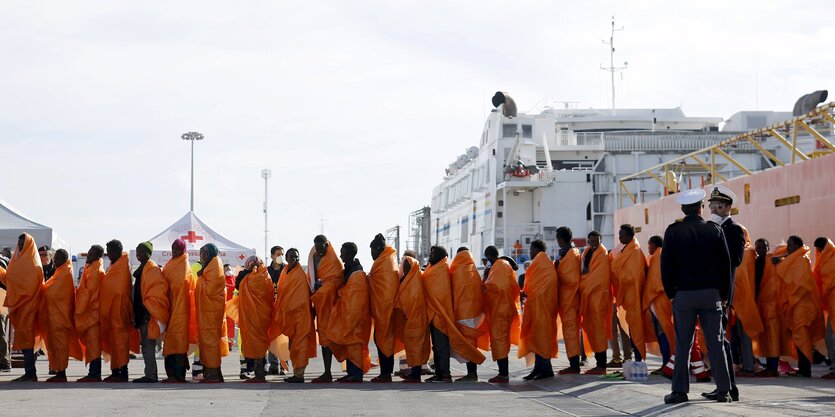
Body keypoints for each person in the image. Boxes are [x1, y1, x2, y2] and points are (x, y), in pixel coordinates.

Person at [661, 188, 733, 404]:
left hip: (683, 295)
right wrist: (724, 295)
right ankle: (723, 392)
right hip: (711, 295)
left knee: (684, 344)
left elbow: (666, 266)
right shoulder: (714, 230)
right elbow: (725, 266)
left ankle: (680, 392)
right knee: (716, 344)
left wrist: (671, 293)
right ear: (701, 207)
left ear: (683, 209)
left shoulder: (673, 231)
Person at [702, 185, 746, 401]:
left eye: (719, 206)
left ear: (728, 207)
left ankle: (729, 387)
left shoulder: (733, 229)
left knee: (720, 340)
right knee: (715, 340)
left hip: (721, 293)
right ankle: (725, 385)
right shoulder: (711, 228)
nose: (714, 209)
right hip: (709, 291)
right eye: (712, 205)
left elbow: (736, 259)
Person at [423, 246, 485, 383]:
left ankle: (447, 375)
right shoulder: (473, 271)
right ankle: (443, 373)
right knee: (456, 345)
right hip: (470, 314)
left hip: (450, 314)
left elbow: (447, 293)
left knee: (443, 346)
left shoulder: (455, 271)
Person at [773, 235, 826, 378]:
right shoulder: (796, 259)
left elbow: (800, 285)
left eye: (790, 245)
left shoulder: (801, 260)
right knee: (799, 337)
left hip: (802, 305)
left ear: (797, 245)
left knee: (802, 337)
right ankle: (803, 368)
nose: (788, 248)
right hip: (797, 305)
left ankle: (805, 369)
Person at [326, 242, 372, 383]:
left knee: (354, 343)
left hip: (354, 315)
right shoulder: (349, 269)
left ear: (350, 254)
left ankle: (356, 374)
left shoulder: (357, 271)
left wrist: (340, 293)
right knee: (347, 343)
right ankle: (351, 372)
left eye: (343, 252)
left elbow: (355, 298)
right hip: (347, 313)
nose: (340, 255)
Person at [269, 248, 316, 383]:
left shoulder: (300, 275)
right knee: (293, 346)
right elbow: (283, 293)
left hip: (301, 316)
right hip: (290, 316)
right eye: (291, 257)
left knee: (299, 345)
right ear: (287, 258)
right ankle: (296, 372)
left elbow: (301, 298)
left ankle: (299, 374)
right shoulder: (285, 272)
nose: (294, 259)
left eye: (296, 256)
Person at [40, 249, 83, 382]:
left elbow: (53, 292)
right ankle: (58, 370)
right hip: (56, 316)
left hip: (61, 317)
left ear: (64, 259)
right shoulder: (60, 271)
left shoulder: (65, 273)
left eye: (58, 258)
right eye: (55, 258)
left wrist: (42, 288)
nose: (55, 261)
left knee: (60, 346)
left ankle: (61, 373)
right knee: (55, 345)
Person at [609, 224, 650, 366]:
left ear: (629, 236)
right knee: (632, 328)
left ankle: (639, 360)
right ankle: (636, 359)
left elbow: (634, 276)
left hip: (634, 296)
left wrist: (620, 276)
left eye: (621, 234)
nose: (619, 237)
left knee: (636, 328)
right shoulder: (627, 251)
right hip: (628, 295)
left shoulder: (635, 252)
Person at [518, 239, 558, 380]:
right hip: (539, 306)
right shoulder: (544, 263)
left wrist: (532, 294)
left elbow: (546, 284)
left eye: (531, 250)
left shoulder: (542, 264)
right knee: (536, 338)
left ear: (536, 249)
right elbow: (533, 284)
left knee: (541, 338)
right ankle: (538, 368)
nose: (530, 252)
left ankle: (546, 369)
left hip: (542, 306)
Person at [309, 235, 344, 383]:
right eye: (316, 248)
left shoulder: (334, 261)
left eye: (321, 248)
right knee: (323, 338)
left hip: (331, 304)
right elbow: (310, 276)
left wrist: (323, 287)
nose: (319, 251)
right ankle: (327, 371)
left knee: (332, 337)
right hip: (320, 303)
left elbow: (337, 280)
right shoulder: (313, 256)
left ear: (326, 244)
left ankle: (350, 370)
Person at [728, 227, 764, 378]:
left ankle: (748, 366)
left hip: (744, 301)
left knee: (745, 335)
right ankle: (746, 364)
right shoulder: (747, 253)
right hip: (741, 301)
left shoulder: (746, 253)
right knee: (740, 336)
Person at [133, 242, 169, 383]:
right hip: (142, 314)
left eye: (141, 252)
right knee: (146, 348)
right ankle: (149, 373)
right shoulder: (143, 269)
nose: (138, 255)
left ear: (148, 253)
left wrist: (149, 310)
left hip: (149, 315)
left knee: (148, 347)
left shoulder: (152, 270)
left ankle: (151, 375)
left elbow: (157, 293)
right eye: (137, 252)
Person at [233, 256, 274, 383]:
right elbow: (239, 285)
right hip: (257, 316)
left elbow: (240, 284)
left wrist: (246, 272)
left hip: (258, 316)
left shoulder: (256, 278)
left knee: (258, 343)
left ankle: (259, 374)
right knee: (258, 343)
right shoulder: (263, 276)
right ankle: (259, 373)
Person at [449, 247, 487, 382]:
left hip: (462, 313)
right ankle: (472, 371)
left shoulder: (457, 271)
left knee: (466, 344)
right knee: (471, 343)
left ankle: (472, 373)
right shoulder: (474, 271)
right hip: (475, 313)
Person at [483, 245, 520, 382]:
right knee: (501, 341)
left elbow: (494, 287)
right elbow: (514, 287)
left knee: (499, 342)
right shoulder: (502, 266)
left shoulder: (498, 267)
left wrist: (486, 286)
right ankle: (503, 372)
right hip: (504, 309)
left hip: (500, 311)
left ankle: (503, 373)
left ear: (490, 256)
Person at [161, 238, 196, 383]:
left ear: (182, 250)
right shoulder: (171, 263)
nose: (174, 251)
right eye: (172, 248)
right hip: (170, 308)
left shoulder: (184, 266)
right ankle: (171, 375)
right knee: (170, 342)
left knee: (178, 342)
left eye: (176, 249)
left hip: (180, 310)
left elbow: (181, 289)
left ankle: (178, 375)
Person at [195, 243, 230, 383]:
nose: (201, 257)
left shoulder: (214, 267)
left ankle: (213, 374)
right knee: (207, 343)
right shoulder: (210, 267)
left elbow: (210, 290)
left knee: (211, 343)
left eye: (204, 254)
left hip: (212, 314)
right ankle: (211, 373)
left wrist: (201, 277)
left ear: (210, 255)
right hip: (207, 313)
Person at [367, 234, 399, 382]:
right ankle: (385, 372)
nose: (371, 254)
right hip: (382, 308)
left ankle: (386, 373)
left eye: (372, 250)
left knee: (384, 339)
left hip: (385, 308)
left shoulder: (386, 263)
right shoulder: (385, 261)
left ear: (379, 249)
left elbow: (385, 286)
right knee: (381, 339)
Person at [393, 251, 430, 383]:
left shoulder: (419, 278)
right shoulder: (406, 280)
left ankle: (416, 373)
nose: (406, 268)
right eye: (404, 266)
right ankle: (414, 371)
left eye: (408, 266)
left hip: (419, 317)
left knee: (416, 345)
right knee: (412, 345)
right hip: (410, 318)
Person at [101, 239, 133, 383]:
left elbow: (119, 290)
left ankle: (123, 372)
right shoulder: (114, 266)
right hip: (112, 310)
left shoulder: (122, 268)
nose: (108, 255)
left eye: (110, 252)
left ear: (116, 252)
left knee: (120, 342)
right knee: (114, 343)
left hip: (119, 310)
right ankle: (115, 372)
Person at [580, 231, 613, 375]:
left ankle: (601, 364)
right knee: (593, 329)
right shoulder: (586, 253)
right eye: (592, 241)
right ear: (588, 241)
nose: (594, 243)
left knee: (599, 329)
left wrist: (586, 280)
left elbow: (600, 277)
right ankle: (599, 363)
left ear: (601, 240)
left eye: (596, 241)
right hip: (589, 296)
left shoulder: (603, 255)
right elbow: (584, 273)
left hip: (599, 297)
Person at [554, 227, 583, 374]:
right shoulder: (568, 253)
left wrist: (557, 268)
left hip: (570, 298)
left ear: (560, 239)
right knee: (569, 332)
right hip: (567, 299)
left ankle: (574, 364)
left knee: (571, 332)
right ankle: (574, 362)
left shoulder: (571, 254)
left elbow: (571, 278)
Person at [643, 235, 674, 374]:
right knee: (664, 332)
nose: (648, 248)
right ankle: (667, 363)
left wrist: (649, 295)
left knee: (664, 333)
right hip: (662, 300)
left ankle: (667, 363)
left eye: (649, 245)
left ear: (654, 245)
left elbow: (656, 282)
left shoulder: (657, 256)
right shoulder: (661, 255)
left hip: (659, 301)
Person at [75, 245, 106, 382]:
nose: (88, 255)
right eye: (88, 253)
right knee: (92, 345)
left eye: (91, 253)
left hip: (93, 314)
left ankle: (95, 373)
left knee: (94, 345)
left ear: (98, 256)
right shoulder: (91, 269)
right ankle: (93, 372)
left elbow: (88, 294)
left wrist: (79, 307)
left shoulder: (95, 271)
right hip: (91, 313)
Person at [754, 239, 783, 378]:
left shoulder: (773, 260)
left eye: (763, 247)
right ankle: (769, 366)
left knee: (773, 337)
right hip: (761, 303)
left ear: (767, 247)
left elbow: (786, 259)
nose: (760, 250)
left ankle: (773, 368)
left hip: (772, 305)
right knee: (766, 337)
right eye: (758, 247)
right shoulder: (754, 262)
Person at [813, 237, 835, 379]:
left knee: (832, 337)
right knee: (829, 336)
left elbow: (827, 282)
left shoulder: (830, 261)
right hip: (832, 305)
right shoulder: (828, 259)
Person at [266, 245, 285, 375]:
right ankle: (273, 364)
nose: (280, 257)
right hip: (270, 308)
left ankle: (284, 365)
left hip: (284, 308)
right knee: (272, 336)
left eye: (281, 254)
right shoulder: (266, 271)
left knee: (283, 337)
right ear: (272, 256)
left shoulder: (288, 270)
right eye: (278, 254)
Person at [223, 263, 236, 349]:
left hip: (232, 306)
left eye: (229, 269)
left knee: (231, 325)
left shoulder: (234, 278)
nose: (228, 271)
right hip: (223, 306)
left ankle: (230, 343)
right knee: (225, 325)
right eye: (226, 269)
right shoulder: (221, 279)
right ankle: (224, 344)